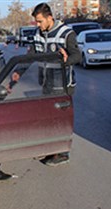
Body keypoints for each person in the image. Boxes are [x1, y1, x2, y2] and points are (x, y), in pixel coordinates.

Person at [30, 2, 81, 167]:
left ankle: (62, 153)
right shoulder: (38, 34)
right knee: (48, 119)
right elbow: (30, 55)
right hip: (45, 83)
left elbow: (77, 56)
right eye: (36, 22)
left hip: (62, 84)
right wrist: (16, 73)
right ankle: (53, 150)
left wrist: (66, 61)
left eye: (40, 21)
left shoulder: (66, 33)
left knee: (59, 119)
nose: (38, 25)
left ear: (49, 17)